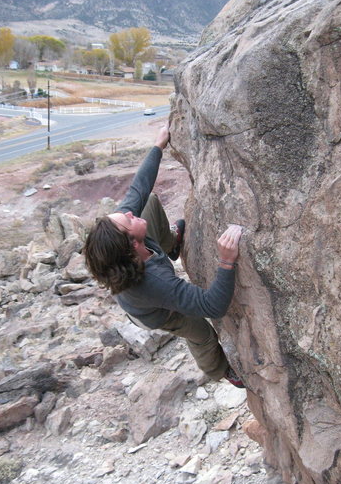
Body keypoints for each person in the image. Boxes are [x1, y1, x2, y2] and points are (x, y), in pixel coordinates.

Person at [83, 124, 244, 388]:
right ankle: (221, 371)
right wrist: (226, 261)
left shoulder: (122, 241)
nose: (129, 213)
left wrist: (158, 146)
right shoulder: (154, 283)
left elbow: (139, 190)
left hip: (142, 271)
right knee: (200, 331)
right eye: (127, 220)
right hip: (155, 312)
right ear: (132, 246)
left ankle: (170, 245)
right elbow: (212, 306)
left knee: (150, 201)